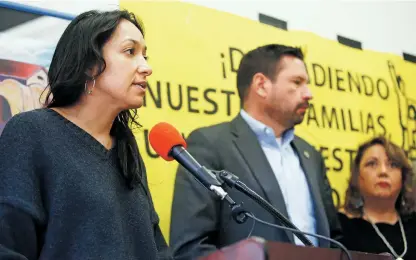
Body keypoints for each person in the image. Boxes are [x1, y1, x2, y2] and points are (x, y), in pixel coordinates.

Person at [0, 10, 172, 260]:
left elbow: (157, 249)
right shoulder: (31, 132)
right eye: (130, 52)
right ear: (89, 65)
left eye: (145, 56)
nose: (147, 67)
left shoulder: (126, 147)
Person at [170, 44, 341, 259]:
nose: (309, 94)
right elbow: (191, 247)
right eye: (297, 82)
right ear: (261, 85)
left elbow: (335, 239)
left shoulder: (311, 155)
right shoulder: (211, 145)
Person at [338, 136, 416, 259]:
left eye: (393, 165)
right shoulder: (339, 226)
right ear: (357, 176)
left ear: (403, 177)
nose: (383, 171)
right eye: (372, 164)